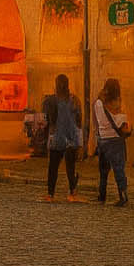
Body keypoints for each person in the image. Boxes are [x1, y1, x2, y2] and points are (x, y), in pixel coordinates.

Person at [41, 73, 85, 203]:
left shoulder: (50, 101)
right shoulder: (74, 100)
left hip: (56, 137)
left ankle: (51, 194)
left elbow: (45, 120)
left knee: (53, 167)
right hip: (71, 137)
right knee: (70, 167)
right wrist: (80, 141)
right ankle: (72, 192)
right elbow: (79, 121)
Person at [91, 77, 130, 207]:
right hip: (115, 139)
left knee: (103, 170)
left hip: (103, 138)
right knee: (119, 169)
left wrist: (98, 135)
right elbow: (120, 119)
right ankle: (123, 195)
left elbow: (96, 121)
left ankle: (102, 196)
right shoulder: (116, 102)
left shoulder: (98, 102)